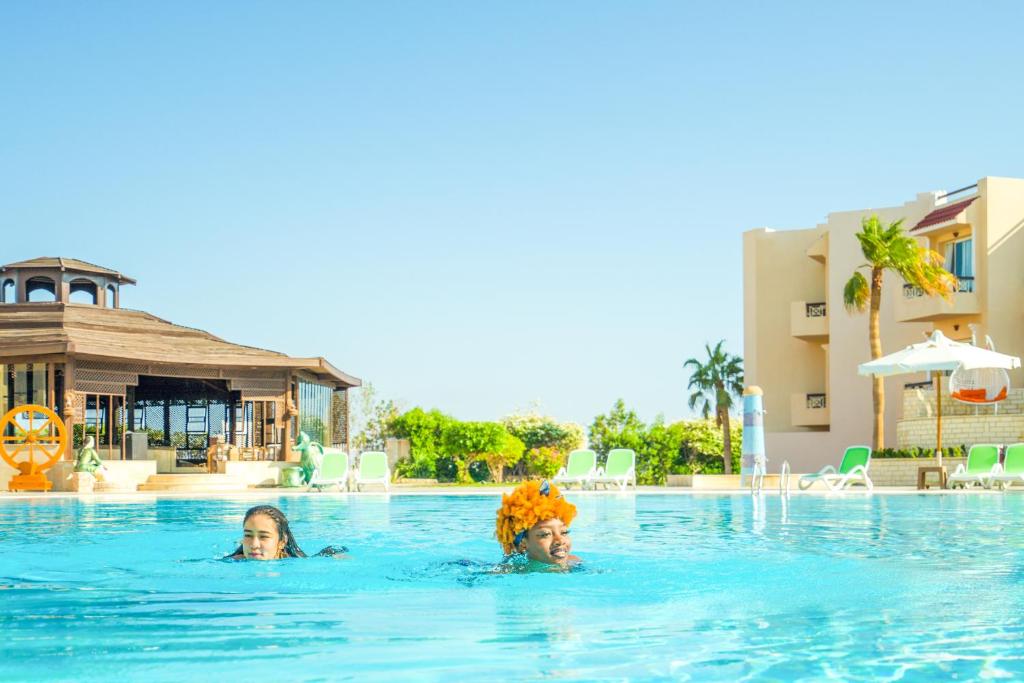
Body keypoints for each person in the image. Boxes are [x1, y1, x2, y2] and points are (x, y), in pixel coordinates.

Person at [496, 479, 580, 568]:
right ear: (523, 544)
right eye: (546, 534)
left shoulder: (575, 563)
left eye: (564, 532)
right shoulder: (508, 571)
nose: (560, 541)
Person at [226, 504, 345, 560]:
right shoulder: (232, 562)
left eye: (263, 536)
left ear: (282, 542)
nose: (253, 545)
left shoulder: (296, 563)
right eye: (248, 535)